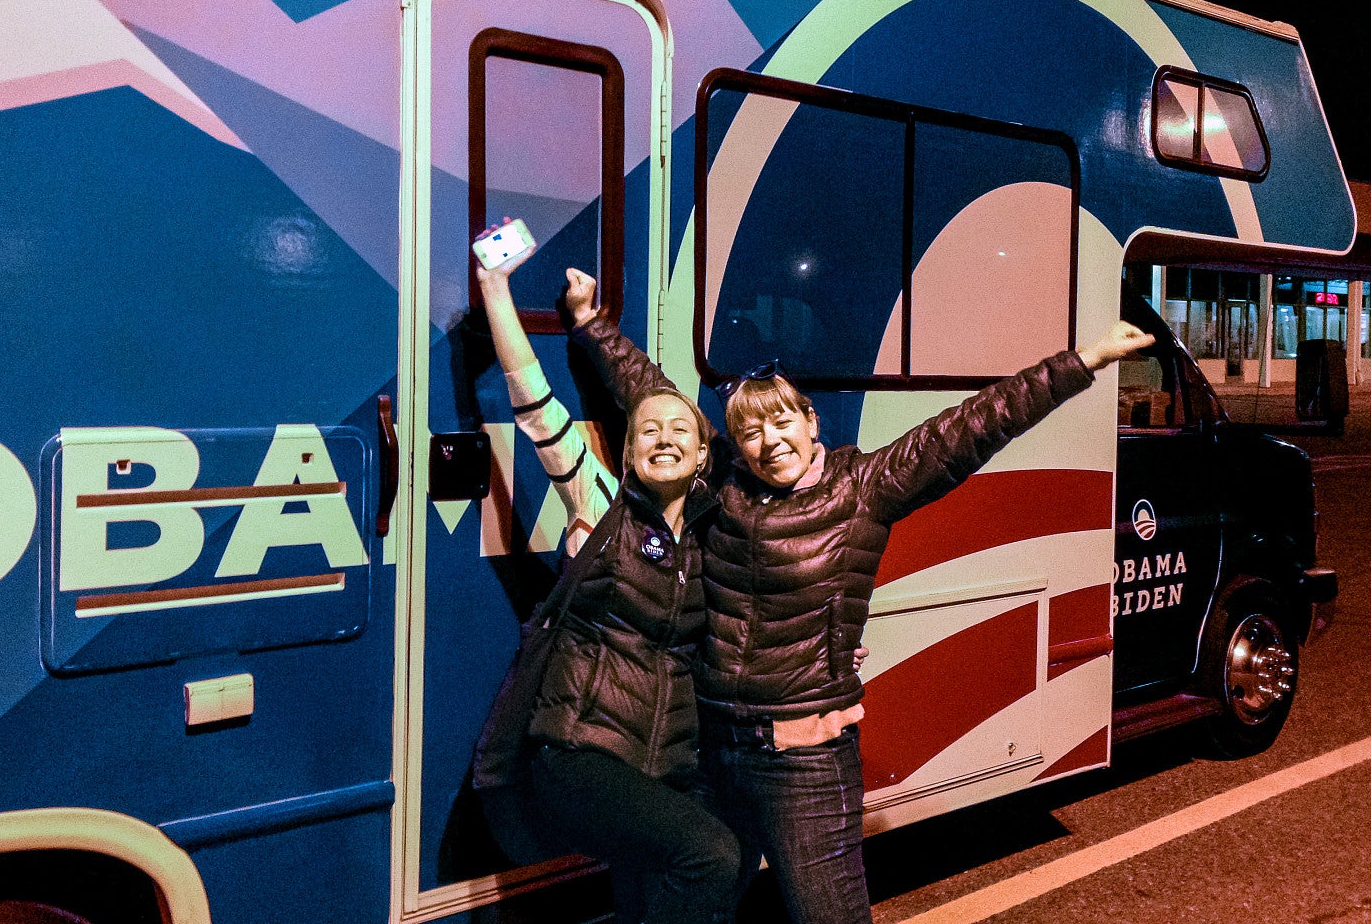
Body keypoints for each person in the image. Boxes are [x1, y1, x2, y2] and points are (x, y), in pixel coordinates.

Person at [562, 266, 1152, 924]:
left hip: (805, 765)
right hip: (713, 749)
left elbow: (972, 426)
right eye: (751, 430)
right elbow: (653, 397)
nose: (769, 441)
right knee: (688, 902)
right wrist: (590, 324)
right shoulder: (724, 481)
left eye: (782, 421)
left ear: (811, 422)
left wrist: (1084, 361)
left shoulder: (863, 488)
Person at [474, 233, 739, 924]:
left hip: (665, 761)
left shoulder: (716, 535)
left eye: (681, 428)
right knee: (712, 856)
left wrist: (597, 326)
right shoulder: (599, 503)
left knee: (664, 882)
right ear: (626, 450)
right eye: (648, 429)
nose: (663, 436)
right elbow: (533, 402)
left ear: (703, 451)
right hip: (580, 753)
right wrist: (496, 289)